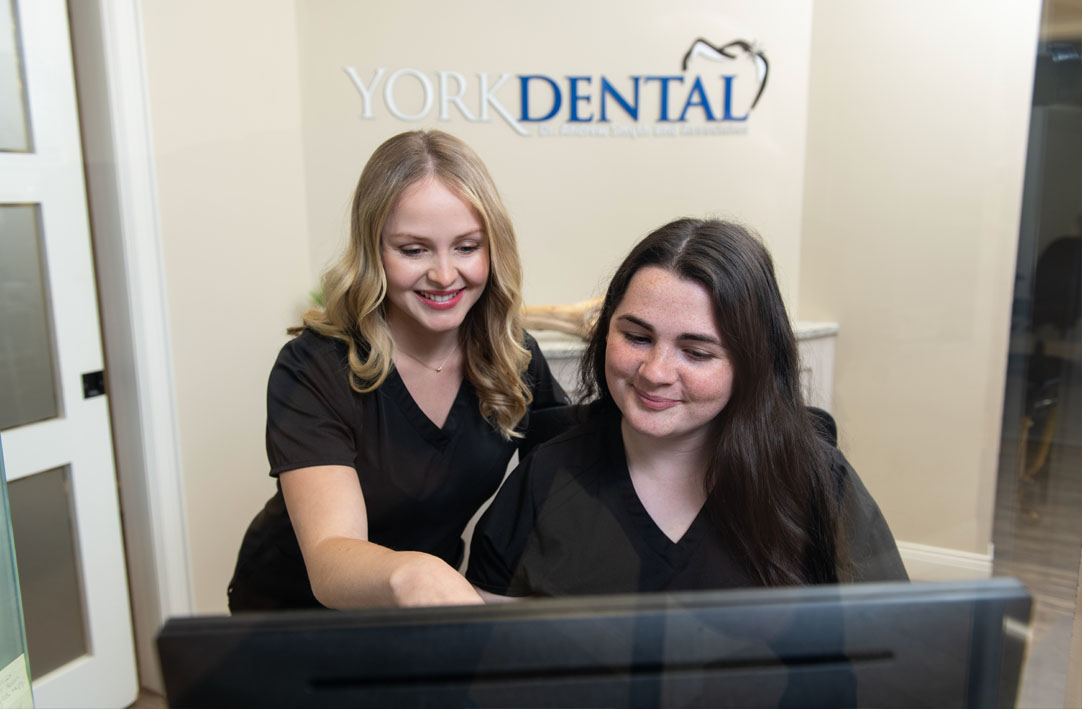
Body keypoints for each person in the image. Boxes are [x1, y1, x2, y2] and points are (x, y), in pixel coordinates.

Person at [467, 218, 907, 598]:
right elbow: (482, 655)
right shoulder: (546, 478)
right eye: (636, 338)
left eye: (696, 353)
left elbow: (898, 653)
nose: (655, 372)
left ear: (752, 364)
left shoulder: (818, 483)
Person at [228, 130, 567, 611]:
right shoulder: (313, 368)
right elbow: (329, 560)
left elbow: (572, 471)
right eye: (414, 250)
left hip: (423, 609)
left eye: (468, 247)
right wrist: (420, 573)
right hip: (292, 615)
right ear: (374, 252)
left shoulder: (513, 357)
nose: (445, 275)